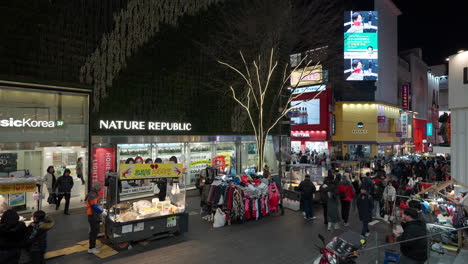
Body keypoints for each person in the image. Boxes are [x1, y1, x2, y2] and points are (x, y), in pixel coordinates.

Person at [86, 181, 104, 254]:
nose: (100, 188)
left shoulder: (92, 193)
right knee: (94, 232)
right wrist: (102, 211)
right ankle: (91, 248)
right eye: (100, 187)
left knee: (95, 231)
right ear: (97, 187)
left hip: (94, 215)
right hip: (93, 216)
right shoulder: (93, 194)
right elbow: (94, 206)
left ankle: (93, 245)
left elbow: (95, 203)